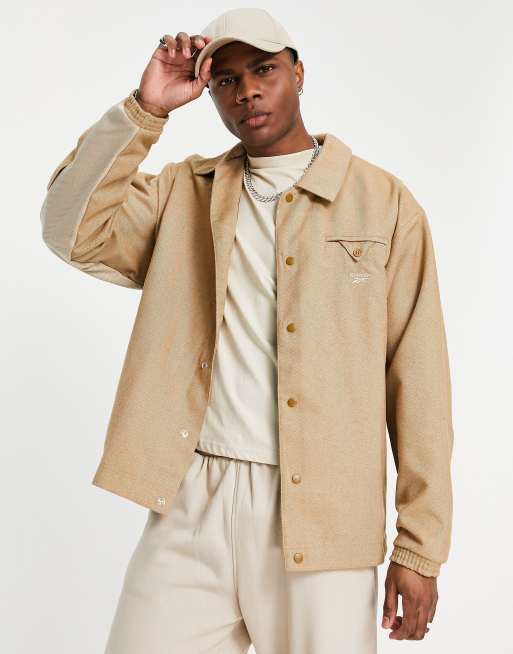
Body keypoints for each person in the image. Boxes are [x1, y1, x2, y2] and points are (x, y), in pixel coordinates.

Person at [40, 7, 454, 653]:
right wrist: (147, 110)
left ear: (298, 73)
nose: (247, 92)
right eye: (225, 81)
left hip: (325, 514)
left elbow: (418, 381)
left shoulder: (384, 203)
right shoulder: (185, 192)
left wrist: (419, 548)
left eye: (263, 70)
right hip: (191, 501)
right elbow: (69, 229)